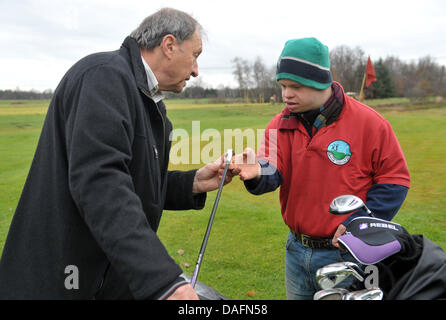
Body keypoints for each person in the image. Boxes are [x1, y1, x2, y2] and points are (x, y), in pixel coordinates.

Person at [0, 8, 233, 300]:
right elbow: (101, 184)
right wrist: (163, 281)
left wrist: (194, 182)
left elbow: (133, 185)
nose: (197, 70)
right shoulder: (104, 77)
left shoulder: (152, 106)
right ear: (169, 45)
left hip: (105, 281)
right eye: (196, 55)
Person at [230, 37, 411, 300]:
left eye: (296, 86)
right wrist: (257, 172)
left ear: (321, 82)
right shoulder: (279, 124)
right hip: (296, 250)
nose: (286, 94)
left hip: (348, 253)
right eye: (282, 86)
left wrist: (358, 225)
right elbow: (272, 170)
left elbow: (395, 181)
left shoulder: (370, 123)